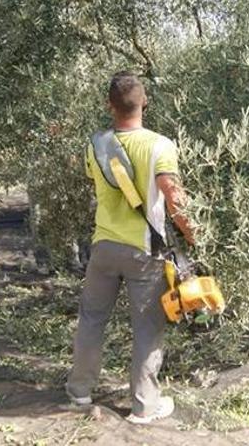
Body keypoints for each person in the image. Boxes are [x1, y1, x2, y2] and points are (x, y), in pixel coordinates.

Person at [65, 71, 195, 424]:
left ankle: (79, 390)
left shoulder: (96, 145)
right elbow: (173, 196)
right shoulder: (160, 145)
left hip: (104, 246)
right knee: (147, 328)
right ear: (144, 102)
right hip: (144, 251)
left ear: (110, 106)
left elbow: (99, 185)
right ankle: (144, 406)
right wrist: (194, 235)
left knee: (92, 318)